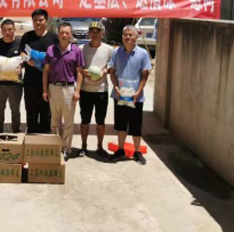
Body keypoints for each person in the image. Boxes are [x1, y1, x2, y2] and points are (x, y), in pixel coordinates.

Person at [108, 25, 152, 165]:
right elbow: (112, 71)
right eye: (125, 34)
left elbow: (145, 75)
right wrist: (116, 87)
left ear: (136, 37)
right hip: (120, 96)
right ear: (122, 37)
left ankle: (137, 152)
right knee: (121, 125)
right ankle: (120, 150)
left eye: (131, 35)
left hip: (135, 97)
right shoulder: (116, 52)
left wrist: (138, 92)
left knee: (136, 126)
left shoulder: (142, 54)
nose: (128, 37)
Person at [43, 22, 85, 161]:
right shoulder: (50, 50)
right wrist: (45, 90)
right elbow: (46, 71)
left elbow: (79, 72)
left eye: (67, 33)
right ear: (58, 34)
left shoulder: (76, 51)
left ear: (71, 34)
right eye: (62, 33)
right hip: (53, 87)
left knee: (68, 120)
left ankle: (66, 148)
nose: (64, 35)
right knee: (54, 120)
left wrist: (77, 91)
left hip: (69, 88)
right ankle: (55, 146)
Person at [20, 9, 58, 133]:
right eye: (35, 20)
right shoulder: (27, 36)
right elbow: (22, 52)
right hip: (30, 80)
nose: (38, 22)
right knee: (31, 109)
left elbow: (59, 55)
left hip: (49, 81)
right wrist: (27, 60)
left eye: (41, 20)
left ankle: (45, 135)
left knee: (46, 110)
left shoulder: (53, 37)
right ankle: (31, 134)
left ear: (46, 21)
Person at [79, 21, 114, 157]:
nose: (95, 34)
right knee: (85, 120)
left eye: (98, 31)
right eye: (92, 31)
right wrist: (84, 71)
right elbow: (78, 66)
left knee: (100, 121)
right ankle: (83, 146)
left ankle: (100, 147)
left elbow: (112, 66)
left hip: (101, 91)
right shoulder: (82, 48)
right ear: (88, 33)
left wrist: (104, 72)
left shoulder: (109, 49)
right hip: (85, 90)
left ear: (102, 34)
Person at [0, 19, 23, 133]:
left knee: (15, 109)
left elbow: (26, 57)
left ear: (14, 29)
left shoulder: (20, 43)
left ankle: (16, 130)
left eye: (10, 30)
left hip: (16, 83)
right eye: (5, 30)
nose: (7, 32)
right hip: (0, 83)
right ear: (1, 30)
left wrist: (22, 66)